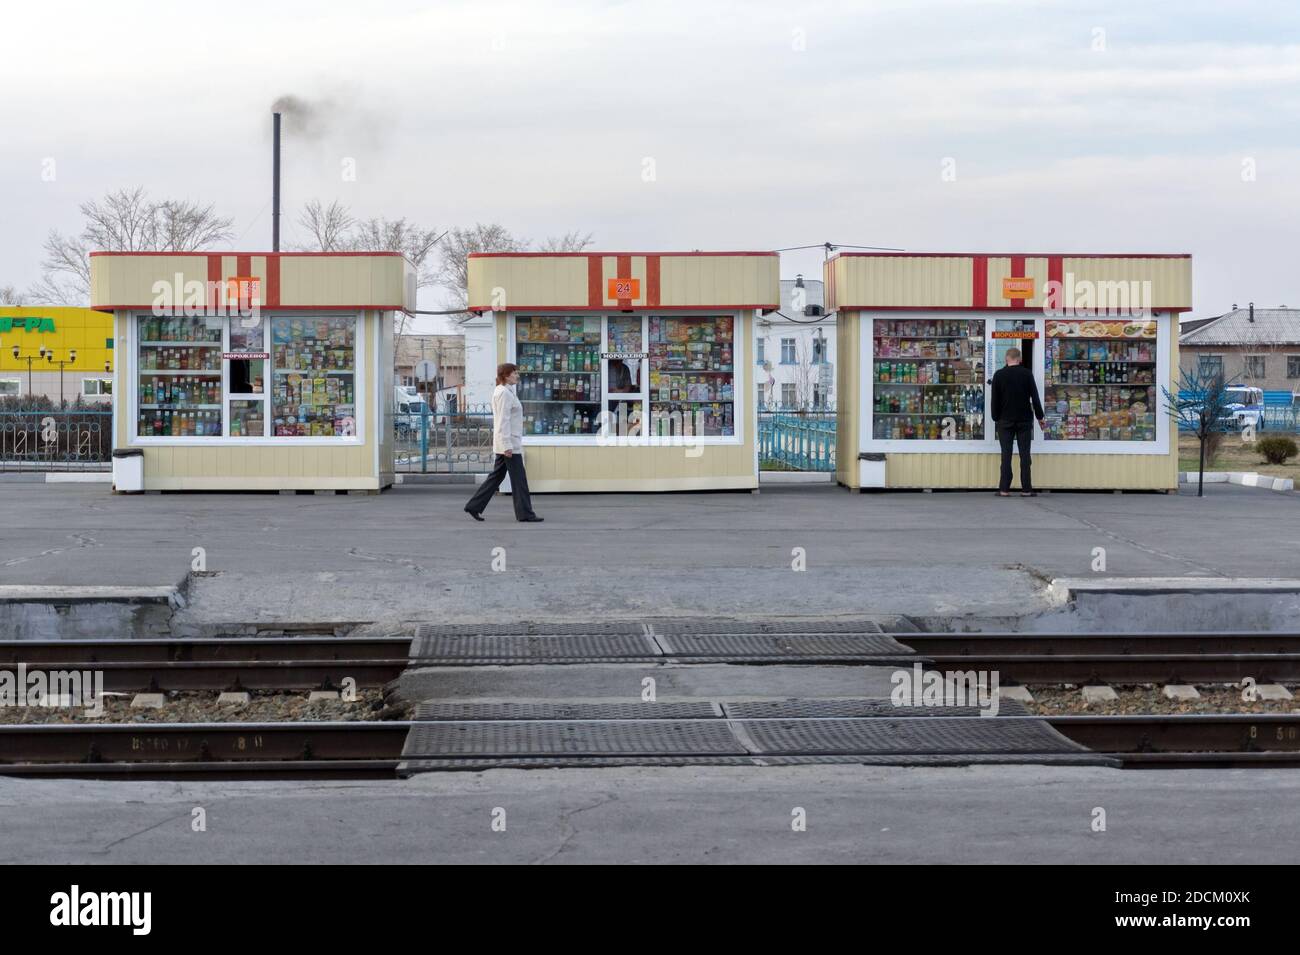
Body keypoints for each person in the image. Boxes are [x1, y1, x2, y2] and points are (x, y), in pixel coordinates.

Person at [464, 363, 543, 522]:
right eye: (515, 373)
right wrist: (507, 445)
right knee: (519, 480)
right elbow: (502, 421)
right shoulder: (503, 393)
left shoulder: (506, 391)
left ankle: (474, 506)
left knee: (496, 477)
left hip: (507, 443)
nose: (517, 375)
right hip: (509, 444)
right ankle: (525, 513)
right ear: (506, 375)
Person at [990, 347, 1046, 497]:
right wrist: (1040, 417)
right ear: (1019, 359)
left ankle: (1004, 489)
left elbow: (994, 400)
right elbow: (1035, 397)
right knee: (1025, 455)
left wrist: (995, 417)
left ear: (1007, 359)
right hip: (1024, 420)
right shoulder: (1027, 374)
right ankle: (1026, 489)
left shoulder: (999, 375)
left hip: (1005, 420)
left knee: (1006, 455)